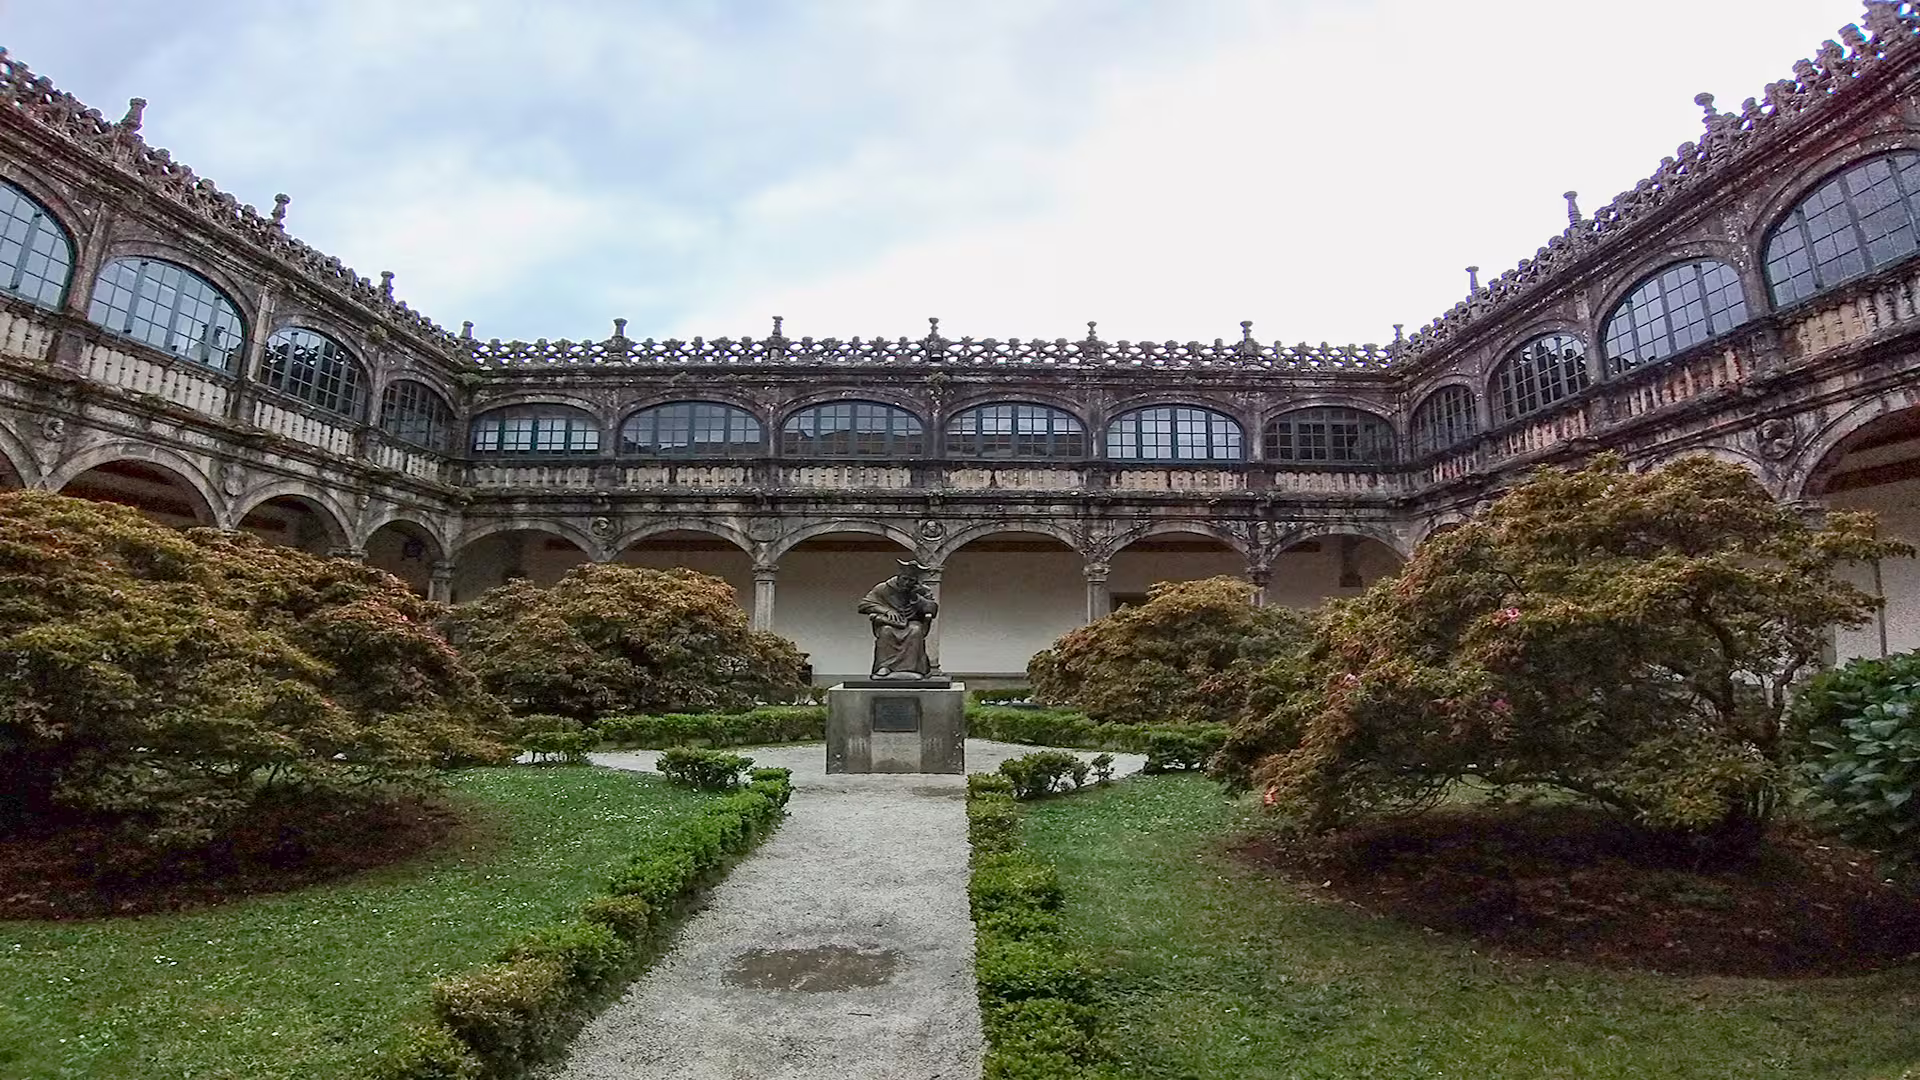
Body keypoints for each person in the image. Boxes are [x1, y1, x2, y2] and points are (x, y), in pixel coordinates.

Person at [857, 560, 940, 678]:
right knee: (886, 631)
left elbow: (932, 609)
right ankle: (884, 667)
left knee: (915, 630)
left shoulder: (922, 590)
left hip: (912, 621)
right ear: (899, 576)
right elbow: (863, 605)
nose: (907, 583)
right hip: (890, 623)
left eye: (911, 580)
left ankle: (912, 669)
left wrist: (916, 598)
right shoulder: (883, 588)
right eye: (904, 579)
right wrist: (886, 611)